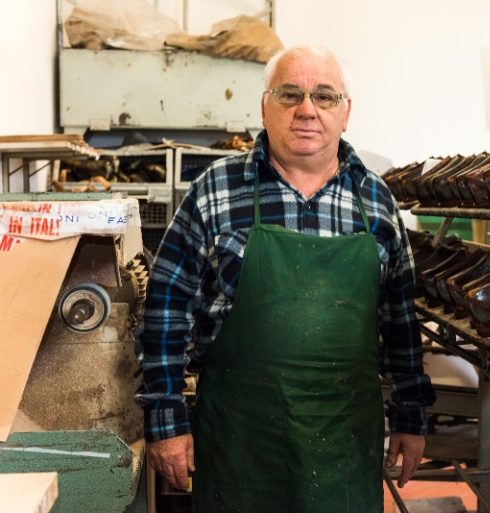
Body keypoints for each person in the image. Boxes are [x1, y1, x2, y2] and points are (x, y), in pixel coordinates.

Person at [135, 44, 436, 512]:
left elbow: (400, 321)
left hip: (344, 445)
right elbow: (165, 311)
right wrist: (166, 421)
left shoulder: (376, 199)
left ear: (346, 112)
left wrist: (411, 415)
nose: (306, 111)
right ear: (264, 106)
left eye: (325, 97)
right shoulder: (215, 189)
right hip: (241, 444)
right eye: (289, 94)